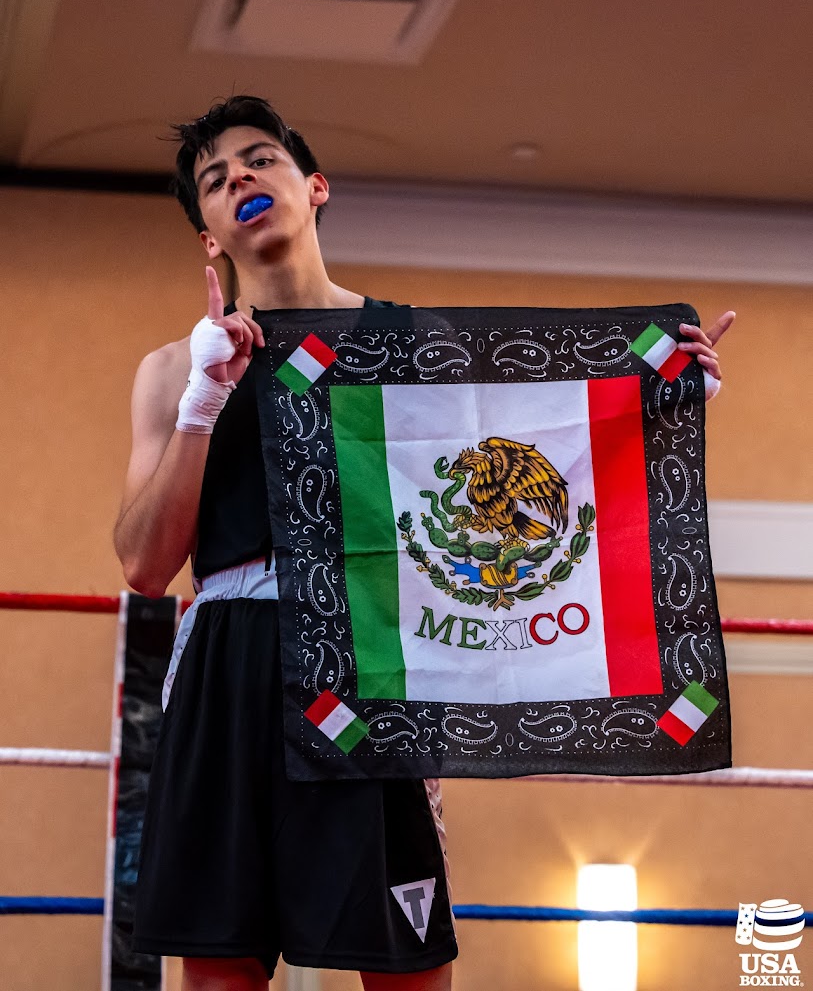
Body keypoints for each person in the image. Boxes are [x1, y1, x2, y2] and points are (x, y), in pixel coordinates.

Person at [113, 95, 734, 991]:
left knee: (406, 969)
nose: (239, 177)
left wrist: (657, 408)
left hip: (367, 659)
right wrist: (202, 406)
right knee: (218, 972)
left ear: (314, 186)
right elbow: (142, 560)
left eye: (260, 159)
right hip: (228, 661)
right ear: (208, 234)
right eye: (214, 179)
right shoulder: (171, 368)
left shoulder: (413, 344)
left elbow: (519, 472)